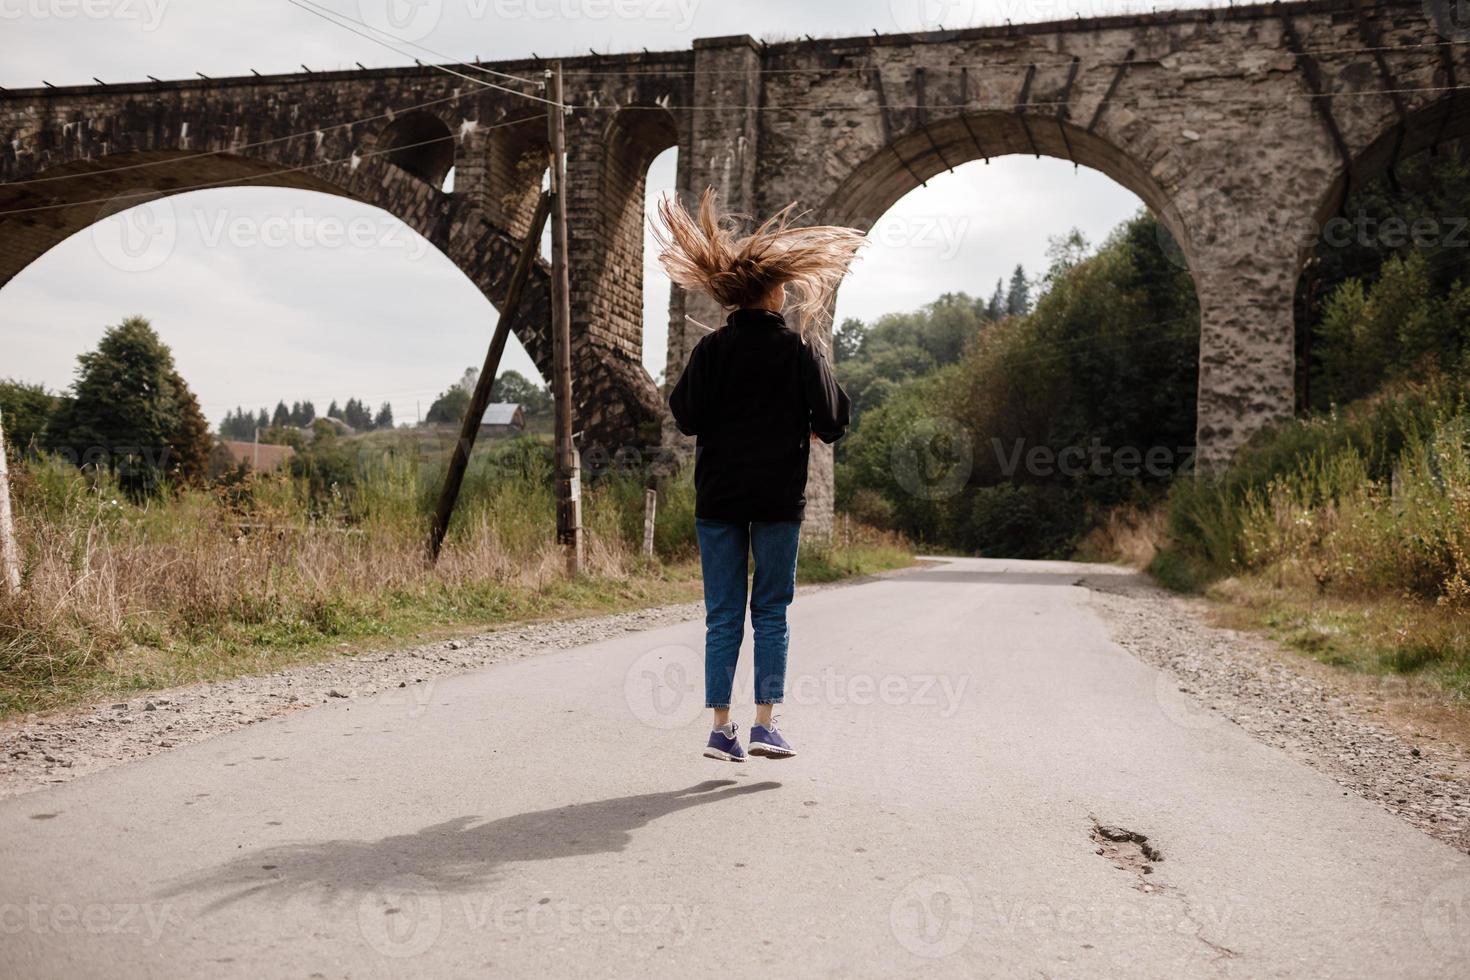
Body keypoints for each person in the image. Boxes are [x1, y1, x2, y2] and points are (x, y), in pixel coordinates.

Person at [654, 188, 865, 762]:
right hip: (777, 499)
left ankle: (720, 729)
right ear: (774, 291)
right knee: (770, 612)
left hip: (718, 498)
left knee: (723, 614)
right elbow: (834, 420)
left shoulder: (711, 352)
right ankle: (765, 725)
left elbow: (687, 418)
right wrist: (807, 425)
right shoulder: (798, 353)